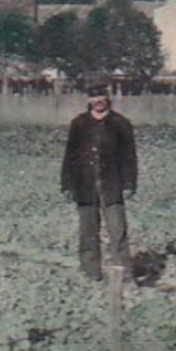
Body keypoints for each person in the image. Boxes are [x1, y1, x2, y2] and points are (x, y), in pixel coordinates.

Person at [60, 82, 138, 281]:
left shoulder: (120, 123)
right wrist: (67, 184)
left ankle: (124, 276)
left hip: (112, 186)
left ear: (108, 97)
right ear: (88, 100)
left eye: (102, 96)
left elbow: (129, 156)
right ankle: (90, 274)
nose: (98, 101)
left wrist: (129, 184)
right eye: (94, 97)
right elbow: (70, 156)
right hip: (85, 186)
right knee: (88, 232)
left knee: (117, 231)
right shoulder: (79, 124)